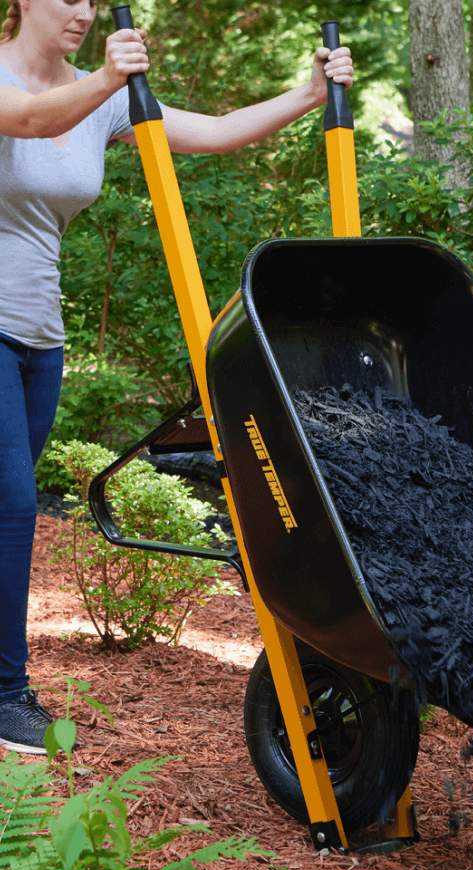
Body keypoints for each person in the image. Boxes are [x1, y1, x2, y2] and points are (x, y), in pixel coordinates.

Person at [0, 0, 354, 754]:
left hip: (40, 340)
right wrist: (108, 79)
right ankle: (5, 691)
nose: (84, 11)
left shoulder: (100, 96)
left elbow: (216, 135)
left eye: (94, 1)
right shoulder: (39, 83)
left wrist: (306, 95)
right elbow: (26, 119)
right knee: (14, 503)